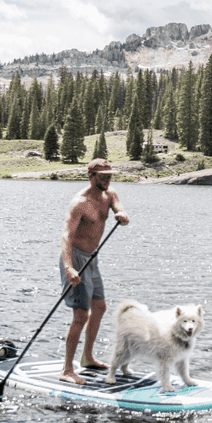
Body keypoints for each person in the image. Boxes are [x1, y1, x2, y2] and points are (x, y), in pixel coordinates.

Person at [58, 157, 130, 384]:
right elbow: (66, 237)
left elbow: (119, 208)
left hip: (92, 258)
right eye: (103, 176)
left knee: (99, 307)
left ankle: (87, 357)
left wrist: (122, 215)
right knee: (81, 315)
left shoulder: (110, 195)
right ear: (91, 176)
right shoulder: (80, 202)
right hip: (76, 258)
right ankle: (67, 370)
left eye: (110, 175)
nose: (108, 179)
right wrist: (69, 267)